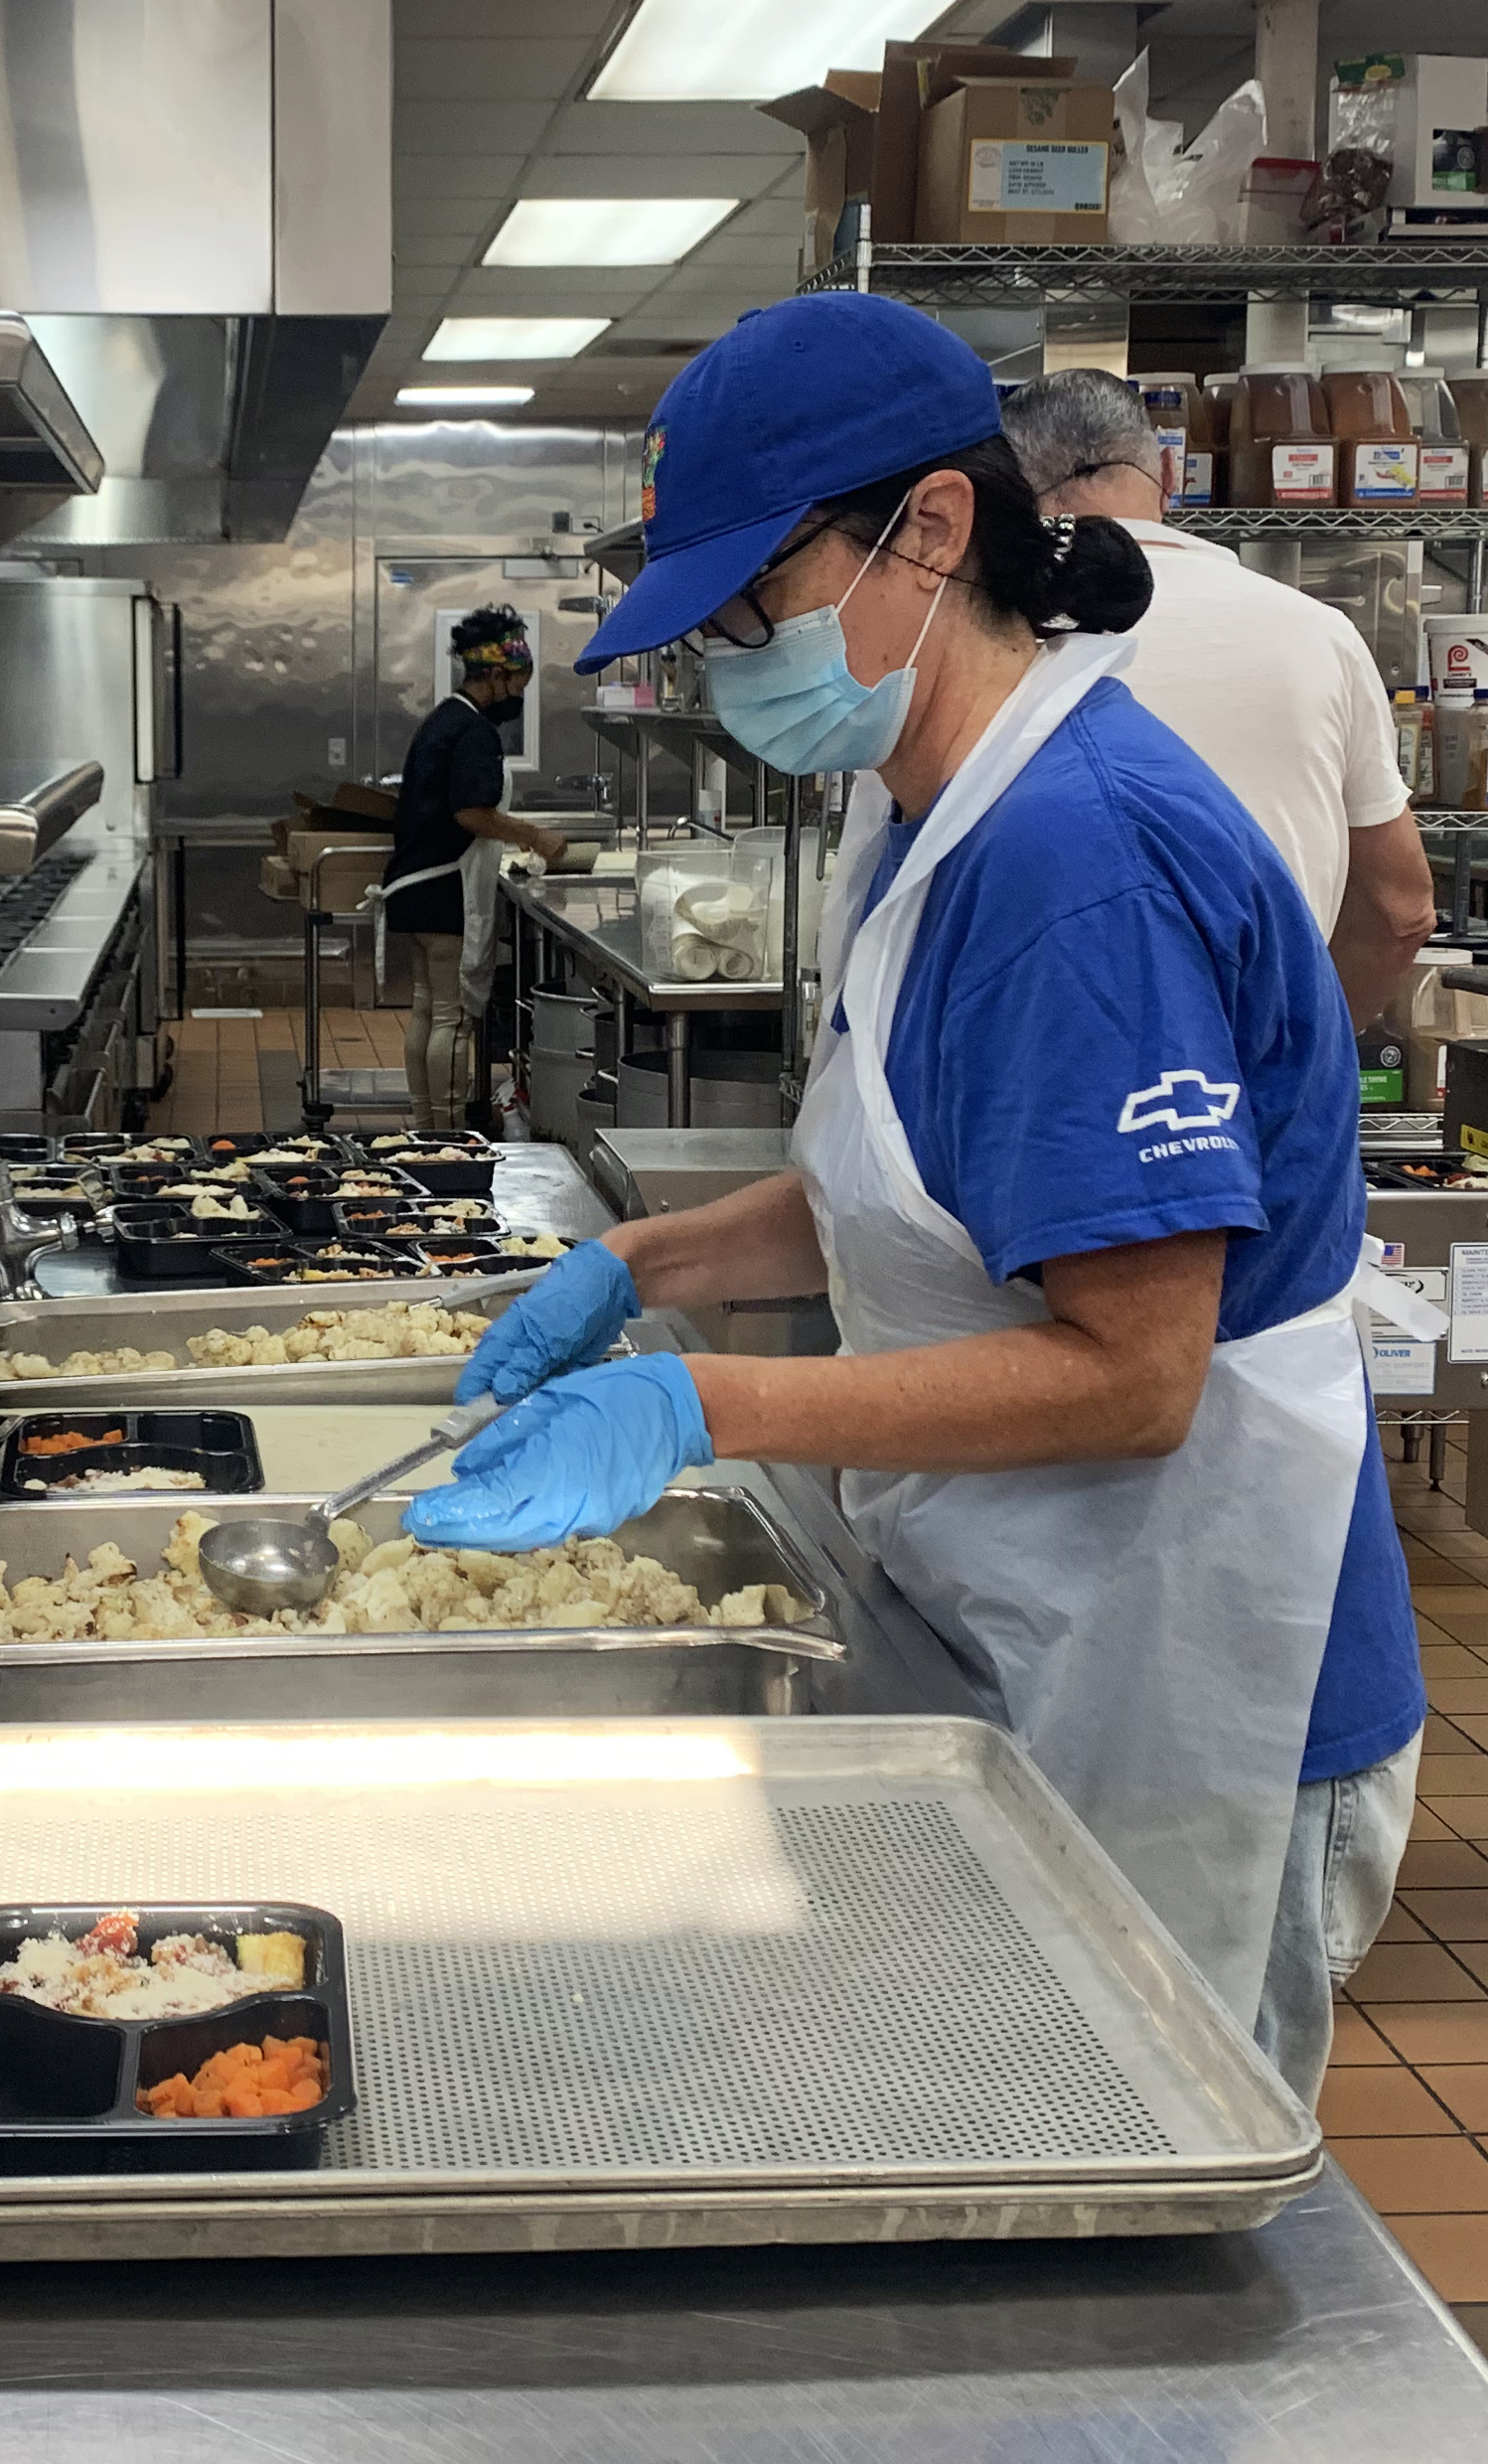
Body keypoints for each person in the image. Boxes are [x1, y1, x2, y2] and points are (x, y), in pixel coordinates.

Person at [401, 294, 1422, 2089]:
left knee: (1142, 2159)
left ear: (931, 529)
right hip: (1029, 1603)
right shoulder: (927, 801)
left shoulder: (1074, 858)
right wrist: (640, 1260)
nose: (730, 658)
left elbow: (1132, 1366)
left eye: (750, 601)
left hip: (1190, 1646)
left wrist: (695, 1395)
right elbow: (916, 1180)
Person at [1002, 369, 1432, 1024]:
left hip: (1046, 1062)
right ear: (1170, 476)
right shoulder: (1318, 633)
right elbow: (1401, 910)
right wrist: (1306, 1049)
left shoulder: (987, 640)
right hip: (1261, 1072)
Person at [379, 606, 568, 1127]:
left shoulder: (443, 719)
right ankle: (444, 1132)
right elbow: (471, 813)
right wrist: (536, 836)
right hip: (445, 893)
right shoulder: (475, 733)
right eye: (518, 682)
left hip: (412, 890)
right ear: (495, 674)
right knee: (453, 1019)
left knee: (427, 1010)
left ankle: (425, 1125)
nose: (520, 694)